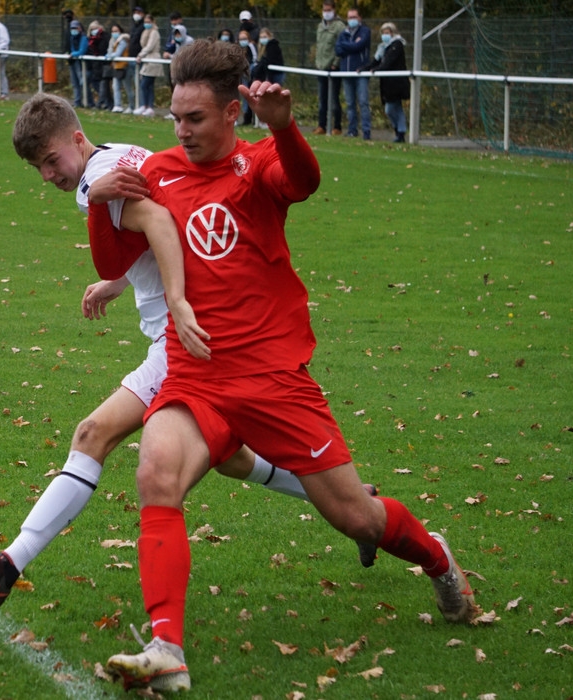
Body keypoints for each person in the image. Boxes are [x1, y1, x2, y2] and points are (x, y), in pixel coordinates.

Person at [93, 40, 477, 693]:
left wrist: (286, 128)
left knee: (358, 518)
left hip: (274, 380)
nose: (181, 132)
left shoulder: (260, 161)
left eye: (196, 119)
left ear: (232, 112)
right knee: (156, 471)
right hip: (198, 377)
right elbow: (111, 261)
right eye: (176, 118)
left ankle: (437, 559)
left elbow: (303, 182)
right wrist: (103, 200)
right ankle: (166, 649)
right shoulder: (158, 171)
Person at [0, 92, 377, 612]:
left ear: (75, 139)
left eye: (49, 160)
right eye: (36, 168)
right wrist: (117, 281)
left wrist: (176, 300)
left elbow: (157, 222)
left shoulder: (96, 179)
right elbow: (169, 223)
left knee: (92, 434)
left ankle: (7, 565)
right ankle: (363, 508)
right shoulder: (126, 153)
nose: (48, 175)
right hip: (204, 336)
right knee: (235, 459)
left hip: (184, 343)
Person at [362, 22, 409, 143]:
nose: (384, 35)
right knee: (395, 108)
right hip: (387, 84)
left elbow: (388, 63)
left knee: (391, 109)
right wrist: (365, 68)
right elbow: (376, 62)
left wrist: (377, 70)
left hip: (396, 83)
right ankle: (399, 132)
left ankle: (400, 131)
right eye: (383, 33)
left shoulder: (397, 45)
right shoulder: (383, 47)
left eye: (387, 33)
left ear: (393, 33)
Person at [336, 7, 372, 139]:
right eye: (349, 17)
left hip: (360, 72)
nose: (352, 20)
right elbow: (338, 50)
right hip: (346, 72)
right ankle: (352, 130)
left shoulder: (365, 31)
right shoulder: (343, 33)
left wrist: (347, 46)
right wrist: (350, 46)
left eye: (354, 17)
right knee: (350, 103)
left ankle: (366, 132)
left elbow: (359, 46)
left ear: (359, 18)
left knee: (363, 102)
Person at [314, 1, 344, 135]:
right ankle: (322, 125)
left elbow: (341, 47)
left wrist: (335, 63)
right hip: (321, 67)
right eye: (324, 10)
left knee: (334, 99)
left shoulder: (339, 27)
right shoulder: (320, 26)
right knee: (322, 99)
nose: (326, 12)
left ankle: (337, 126)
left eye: (329, 10)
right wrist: (317, 62)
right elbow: (319, 46)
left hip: (332, 69)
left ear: (334, 10)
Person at [135, 13, 161, 116]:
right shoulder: (145, 32)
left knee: (146, 84)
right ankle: (145, 105)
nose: (146, 24)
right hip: (147, 59)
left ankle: (148, 106)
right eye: (145, 22)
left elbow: (150, 46)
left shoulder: (154, 32)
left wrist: (140, 55)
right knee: (146, 85)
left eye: (148, 22)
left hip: (152, 59)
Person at [107, 23, 132, 114]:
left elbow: (118, 53)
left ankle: (131, 106)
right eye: (113, 31)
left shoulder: (123, 41)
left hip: (124, 66)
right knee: (115, 86)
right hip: (116, 66)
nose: (114, 33)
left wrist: (110, 56)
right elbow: (109, 50)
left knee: (127, 87)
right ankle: (117, 105)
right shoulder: (112, 41)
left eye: (116, 31)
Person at [125, 6, 145, 114]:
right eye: (135, 12)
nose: (136, 14)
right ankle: (132, 105)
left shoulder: (143, 27)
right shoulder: (134, 26)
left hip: (139, 60)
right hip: (131, 59)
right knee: (129, 83)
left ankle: (141, 105)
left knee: (139, 84)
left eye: (138, 12)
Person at [85, 20, 108, 109]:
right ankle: (103, 102)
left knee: (102, 85)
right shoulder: (90, 40)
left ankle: (103, 102)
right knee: (95, 83)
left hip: (103, 64)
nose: (93, 30)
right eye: (92, 29)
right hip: (95, 65)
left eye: (95, 28)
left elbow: (102, 49)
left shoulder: (104, 37)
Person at [237, 29, 258, 126]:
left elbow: (254, 59)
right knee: (244, 97)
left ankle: (253, 118)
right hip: (242, 74)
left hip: (249, 74)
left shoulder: (251, 47)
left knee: (250, 95)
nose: (243, 41)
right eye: (241, 39)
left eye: (245, 38)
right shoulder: (237, 48)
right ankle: (246, 117)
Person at [65, 19, 88, 108]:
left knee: (82, 82)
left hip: (81, 63)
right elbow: (72, 49)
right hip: (73, 62)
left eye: (75, 28)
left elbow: (82, 51)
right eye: (72, 28)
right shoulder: (72, 38)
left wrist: (73, 54)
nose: (73, 30)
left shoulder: (83, 38)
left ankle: (87, 101)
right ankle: (77, 101)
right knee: (75, 83)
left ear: (79, 28)